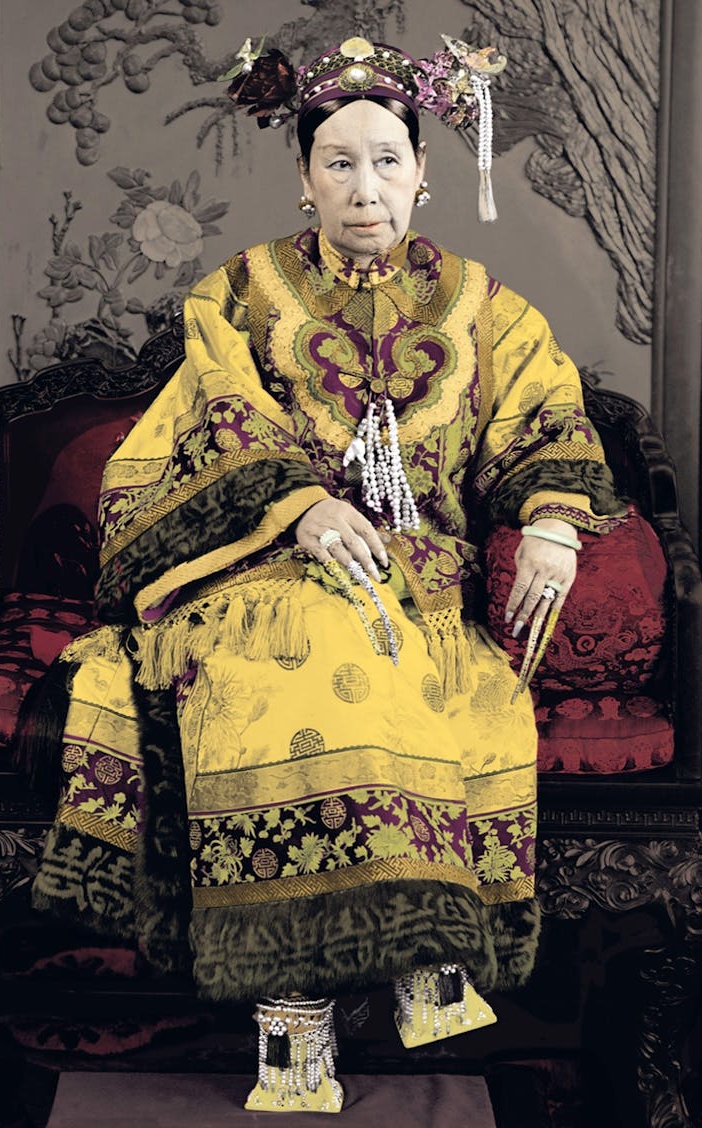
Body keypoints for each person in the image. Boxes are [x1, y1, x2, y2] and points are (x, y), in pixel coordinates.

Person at [31, 34, 624, 1114]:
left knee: (393, 645)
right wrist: (298, 508)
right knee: (289, 658)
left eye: (386, 161)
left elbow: (544, 411)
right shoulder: (243, 291)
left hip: (419, 571)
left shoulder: (480, 301)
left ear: (423, 174)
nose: (365, 188)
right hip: (261, 561)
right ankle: (300, 1014)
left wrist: (552, 524)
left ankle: (398, 961)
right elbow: (212, 418)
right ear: (303, 177)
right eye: (339, 163)